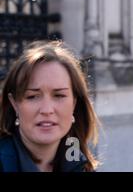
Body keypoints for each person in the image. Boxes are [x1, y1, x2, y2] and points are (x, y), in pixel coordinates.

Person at [0, 41, 99, 172]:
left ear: (74, 103)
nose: (47, 110)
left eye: (59, 96)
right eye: (32, 96)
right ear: (14, 104)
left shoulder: (80, 165)